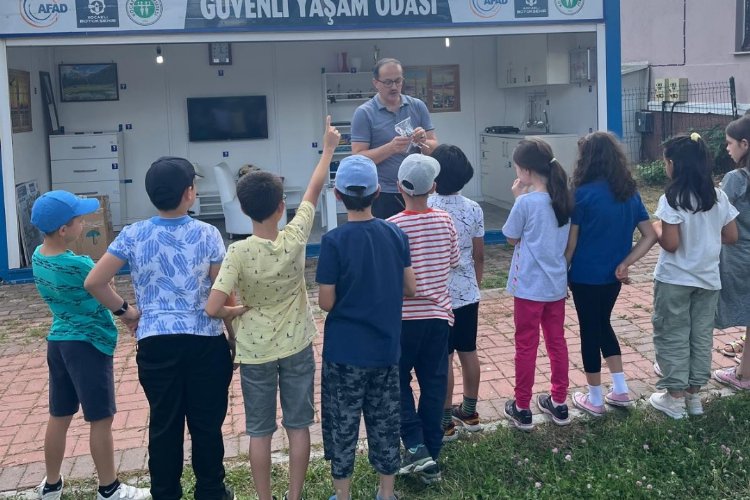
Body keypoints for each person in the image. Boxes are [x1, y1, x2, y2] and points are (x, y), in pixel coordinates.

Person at [85, 158, 242, 500]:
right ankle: (211, 491)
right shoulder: (208, 234)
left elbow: (94, 281)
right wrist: (233, 338)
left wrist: (127, 312)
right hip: (204, 342)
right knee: (206, 424)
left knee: (164, 424)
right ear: (189, 193)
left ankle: (165, 492)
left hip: (155, 343)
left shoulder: (133, 234)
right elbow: (223, 292)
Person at [205, 117, 340, 500]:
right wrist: (328, 149)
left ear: (243, 209)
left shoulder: (237, 251)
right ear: (281, 208)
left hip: (255, 352)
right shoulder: (295, 238)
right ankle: (294, 496)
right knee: (298, 426)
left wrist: (234, 312)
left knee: (260, 431)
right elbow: (314, 189)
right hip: (297, 346)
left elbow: (213, 307)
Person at [29, 191, 151, 500]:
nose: (84, 223)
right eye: (79, 219)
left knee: (59, 415)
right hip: (88, 345)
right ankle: (109, 488)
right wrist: (129, 314)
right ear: (64, 229)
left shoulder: (38, 256)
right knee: (100, 418)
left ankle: (51, 485)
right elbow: (104, 290)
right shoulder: (80, 264)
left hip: (58, 342)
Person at [316, 155, 416, 500]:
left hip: (344, 353)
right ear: (377, 192)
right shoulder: (395, 233)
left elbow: (326, 302)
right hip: (385, 350)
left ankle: (342, 495)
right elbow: (410, 287)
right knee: (385, 422)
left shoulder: (333, 241)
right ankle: (386, 493)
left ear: (337, 194)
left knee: (342, 425)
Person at [565, 132, 658, 417]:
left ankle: (594, 399)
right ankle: (620, 389)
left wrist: (560, 274)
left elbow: (571, 243)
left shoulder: (581, 194)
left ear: (587, 159)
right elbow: (650, 235)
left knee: (589, 331)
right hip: (612, 277)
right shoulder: (629, 193)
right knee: (603, 324)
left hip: (584, 276)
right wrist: (626, 262)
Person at [649, 132, 738, 419]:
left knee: (672, 334)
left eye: (666, 162)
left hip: (675, 279)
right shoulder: (718, 196)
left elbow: (671, 244)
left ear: (674, 164)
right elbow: (731, 235)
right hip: (708, 280)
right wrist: (706, 237)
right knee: (700, 336)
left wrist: (657, 228)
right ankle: (694, 397)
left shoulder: (672, 198)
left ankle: (674, 399)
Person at [387, 154, 459, 484]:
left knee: (398, 382)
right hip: (438, 317)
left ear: (399, 187)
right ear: (433, 188)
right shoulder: (445, 221)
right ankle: (431, 448)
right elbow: (454, 261)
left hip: (402, 320)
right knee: (434, 383)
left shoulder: (392, 227)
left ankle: (415, 445)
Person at [501, 139, 572, 431]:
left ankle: (522, 407)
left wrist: (518, 197)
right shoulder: (563, 198)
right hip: (555, 286)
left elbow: (511, 237)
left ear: (526, 171)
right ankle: (559, 401)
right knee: (557, 342)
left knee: (526, 346)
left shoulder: (526, 202)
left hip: (529, 288)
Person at [426, 145, 485, 441]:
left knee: (444, 358)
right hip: (467, 293)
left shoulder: (427, 206)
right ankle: (470, 412)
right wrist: (475, 285)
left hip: (438, 295)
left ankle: (445, 420)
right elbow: (479, 254)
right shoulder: (474, 208)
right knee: (468, 351)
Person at [351, 58, 439, 219]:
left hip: (417, 191)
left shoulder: (417, 106)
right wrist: (390, 148)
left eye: (398, 81)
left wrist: (423, 141)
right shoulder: (364, 113)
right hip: (383, 193)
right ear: (376, 83)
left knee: (418, 234)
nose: (394, 87)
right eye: (388, 82)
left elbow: (434, 148)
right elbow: (358, 158)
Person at [713, 116, 750, 390]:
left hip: (738, 256)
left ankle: (743, 374)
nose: (727, 148)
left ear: (744, 144)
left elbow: (717, 215)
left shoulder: (736, 179)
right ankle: (744, 370)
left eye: (730, 143)